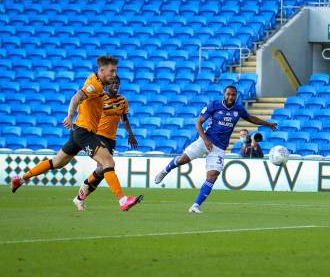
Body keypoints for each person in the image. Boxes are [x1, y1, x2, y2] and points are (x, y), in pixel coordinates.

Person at [11, 56, 143, 211]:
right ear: (101, 70)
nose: (114, 75)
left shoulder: (97, 82)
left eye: (116, 71)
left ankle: (20, 178)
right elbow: (76, 97)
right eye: (112, 71)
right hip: (84, 132)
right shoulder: (94, 85)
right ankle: (123, 200)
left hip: (79, 131)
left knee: (57, 162)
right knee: (108, 163)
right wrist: (69, 116)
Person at [154, 85, 277, 213]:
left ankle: (196, 205)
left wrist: (267, 124)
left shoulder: (238, 109)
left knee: (212, 175)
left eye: (233, 95)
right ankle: (165, 171)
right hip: (204, 141)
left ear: (236, 96)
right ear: (224, 94)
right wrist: (206, 140)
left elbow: (251, 118)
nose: (230, 97)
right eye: (228, 94)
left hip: (219, 148)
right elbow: (198, 123)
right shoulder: (214, 105)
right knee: (182, 160)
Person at [73, 76, 138, 211]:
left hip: (111, 139)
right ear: (107, 85)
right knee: (105, 167)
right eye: (113, 82)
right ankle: (122, 200)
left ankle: (80, 198)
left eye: (117, 83)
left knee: (101, 171)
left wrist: (131, 134)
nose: (115, 85)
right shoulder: (100, 97)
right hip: (98, 135)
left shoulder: (122, 101)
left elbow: (124, 119)